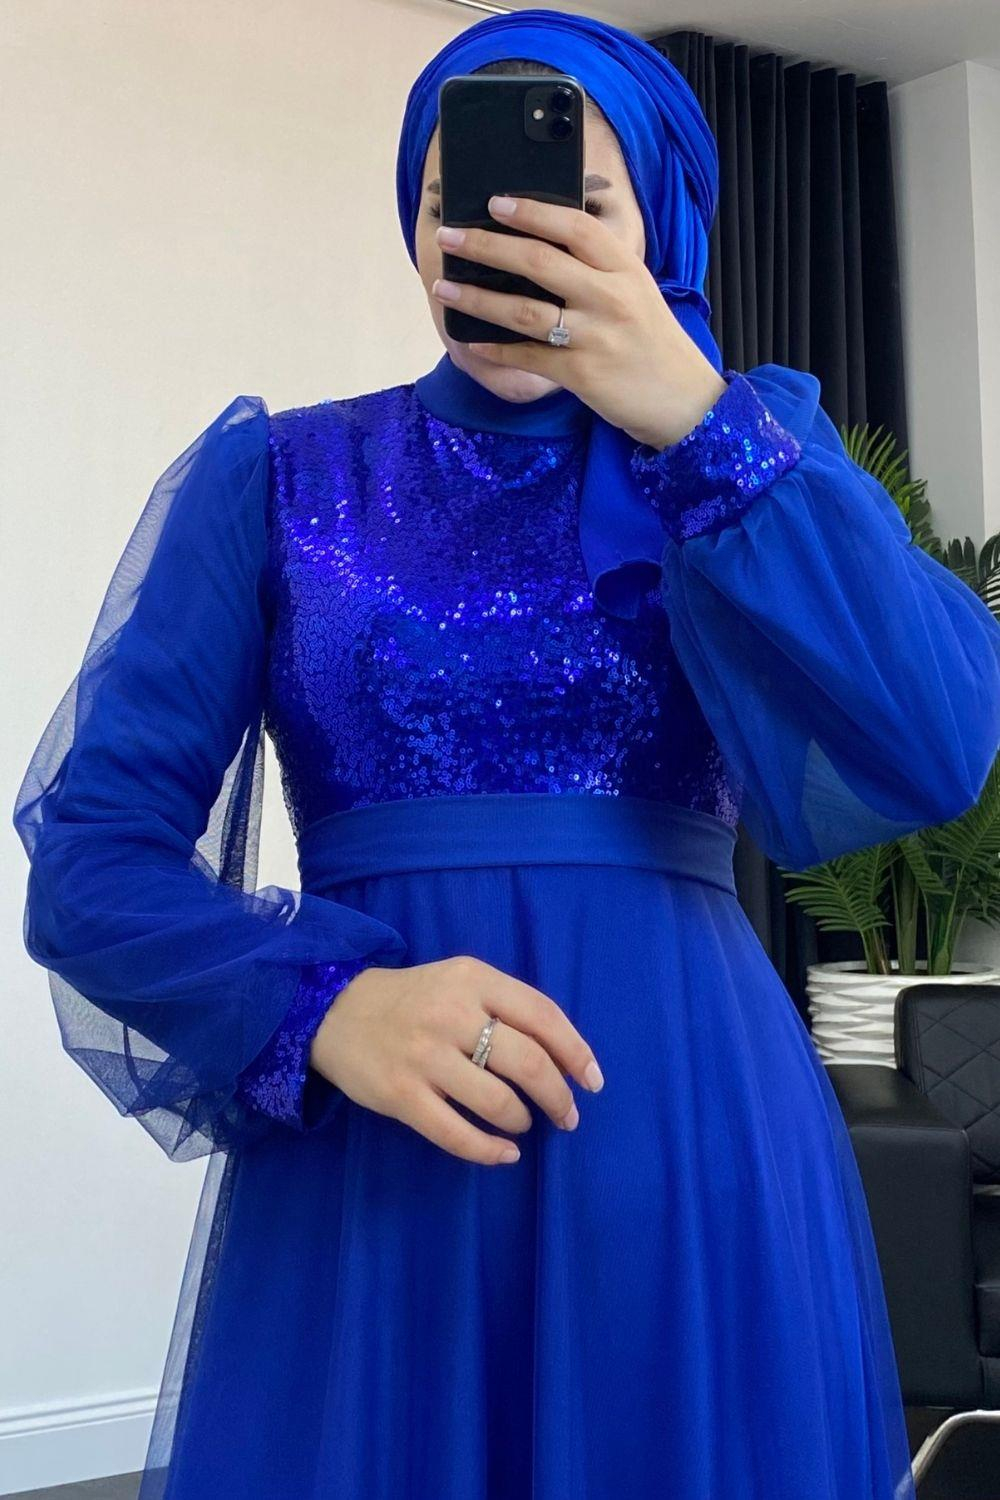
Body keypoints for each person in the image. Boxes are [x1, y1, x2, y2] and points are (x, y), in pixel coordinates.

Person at [13, 9, 1000, 1498]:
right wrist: (323, 1006)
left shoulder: (747, 467)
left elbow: (938, 743)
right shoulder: (277, 478)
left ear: (656, 228)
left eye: (579, 202)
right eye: (456, 198)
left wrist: (699, 425)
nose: (510, 233)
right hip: (379, 1138)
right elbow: (90, 859)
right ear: (416, 221)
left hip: (682, 1126)